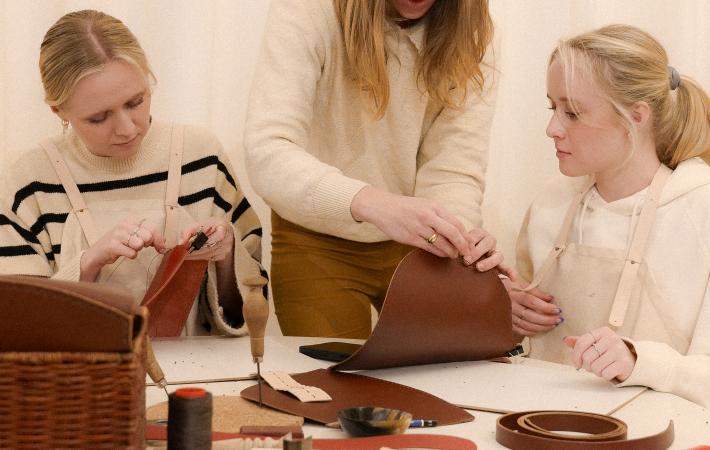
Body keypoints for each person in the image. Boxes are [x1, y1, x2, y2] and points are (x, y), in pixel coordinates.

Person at [244, 0, 503, 338]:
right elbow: (268, 150)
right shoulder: (307, 10)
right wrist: (372, 203)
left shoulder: (473, 32)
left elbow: (454, 167)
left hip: (419, 243)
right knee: (331, 385)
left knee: (441, 378)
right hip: (317, 239)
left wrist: (461, 238)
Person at [0, 10, 267, 336]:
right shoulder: (26, 181)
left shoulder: (202, 156)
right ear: (59, 110)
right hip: (77, 381)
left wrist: (227, 256)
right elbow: (15, 325)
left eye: (136, 101)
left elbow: (255, 301)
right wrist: (87, 265)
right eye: (99, 118)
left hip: (199, 379)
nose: (126, 129)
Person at [510, 24, 710, 407]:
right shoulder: (550, 204)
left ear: (636, 116)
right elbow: (517, 349)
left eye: (572, 112)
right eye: (553, 108)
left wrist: (641, 361)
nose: (552, 129)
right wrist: (503, 317)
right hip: (539, 423)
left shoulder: (701, 210)